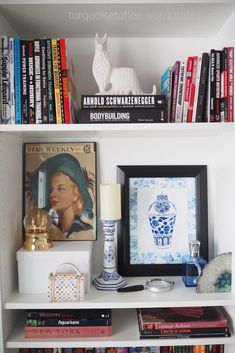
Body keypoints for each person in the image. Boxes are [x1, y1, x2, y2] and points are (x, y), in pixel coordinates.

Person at [26, 153, 96, 241]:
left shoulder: (85, 231)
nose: (52, 194)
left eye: (61, 188)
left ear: (75, 194)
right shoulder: (46, 229)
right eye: (51, 189)